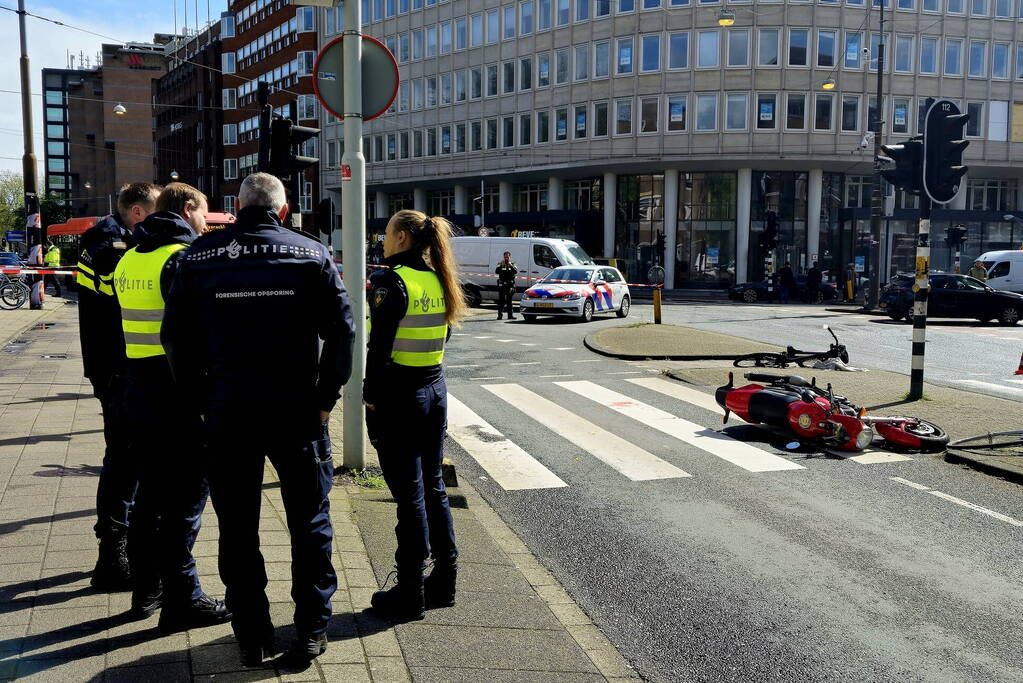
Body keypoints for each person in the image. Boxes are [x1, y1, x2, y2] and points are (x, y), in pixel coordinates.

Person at [162, 173, 355, 665]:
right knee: (310, 522)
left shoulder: (196, 258)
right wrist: (326, 397)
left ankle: (252, 634)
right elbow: (343, 331)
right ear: (283, 210)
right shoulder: (311, 255)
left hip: (228, 409)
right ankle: (311, 629)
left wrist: (199, 398)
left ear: (237, 205)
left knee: (238, 526)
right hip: (296, 410)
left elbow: (174, 338)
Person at [113, 183, 230, 631]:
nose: (206, 222)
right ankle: (184, 597)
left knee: (148, 496)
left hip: (137, 389)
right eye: (203, 214)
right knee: (184, 499)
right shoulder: (183, 259)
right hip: (177, 394)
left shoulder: (130, 258)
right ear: (186, 209)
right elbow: (198, 335)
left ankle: (147, 590)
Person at [365, 209, 467, 623]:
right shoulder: (437, 279)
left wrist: (370, 401)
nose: (383, 239)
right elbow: (439, 336)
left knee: (408, 497)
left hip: (401, 397)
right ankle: (444, 578)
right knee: (432, 489)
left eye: (388, 232)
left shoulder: (392, 281)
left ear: (404, 237)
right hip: (434, 390)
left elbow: (379, 348)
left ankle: (409, 592)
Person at [77, 182, 161, 591]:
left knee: (127, 461)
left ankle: (120, 549)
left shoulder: (109, 240)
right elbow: (124, 297)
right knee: (125, 462)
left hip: (115, 369)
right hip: (119, 372)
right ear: (139, 213)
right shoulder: (111, 248)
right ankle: (112, 555)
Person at [495, 251, 517, 319]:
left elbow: (515, 271)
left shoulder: (513, 264)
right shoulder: (500, 263)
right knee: (501, 301)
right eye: (505, 257)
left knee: (509, 301)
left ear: (510, 257)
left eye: (507, 257)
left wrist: (510, 265)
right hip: (502, 285)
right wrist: (502, 265)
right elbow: (496, 271)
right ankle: (499, 316)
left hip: (509, 285)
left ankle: (510, 316)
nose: (506, 258)